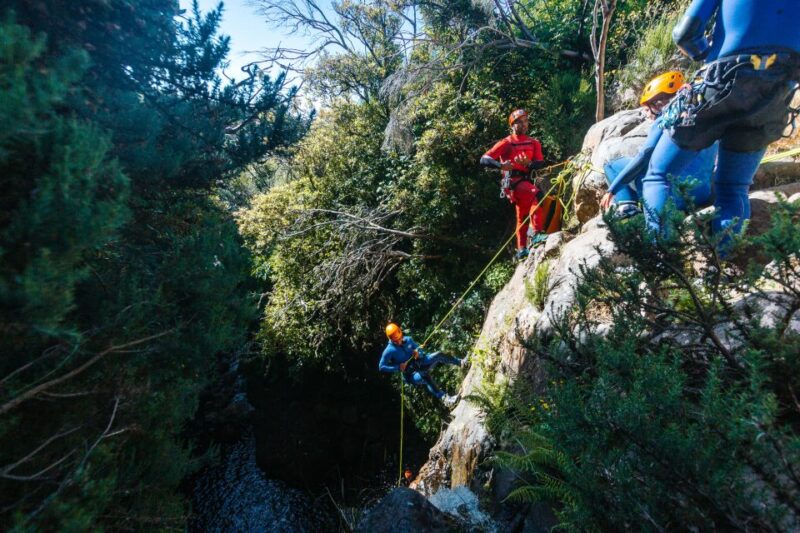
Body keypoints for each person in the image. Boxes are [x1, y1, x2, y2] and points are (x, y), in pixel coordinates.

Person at [643, 0, 800, 247]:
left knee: (659, 177)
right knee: (733, 187)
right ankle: (723, 264)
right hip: (775, 93)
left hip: (720, 83)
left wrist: (706, 55)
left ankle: (660, 262)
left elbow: (685, 34)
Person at [599, 71, 717, 226]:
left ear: (659, 103)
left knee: (612, 165)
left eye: (648, 108)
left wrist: (612, 190)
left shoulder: (665, 120)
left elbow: (644, 156)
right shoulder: (705, 114)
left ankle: (627, 206)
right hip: (702, 194)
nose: (646, 114)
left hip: (671, 198)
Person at [480, 109, 547, 260]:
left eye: (526, 121)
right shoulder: (506, 143)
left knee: (522, 215)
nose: (524, 124)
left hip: (525, 180)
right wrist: (500, 165)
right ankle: (536, 233)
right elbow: (484, 159)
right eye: (520, 122)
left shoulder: (534, 142)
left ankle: (521, 249)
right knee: (537, 195)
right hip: (513, 182)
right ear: (513, 125)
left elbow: (540, 163)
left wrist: (528, 164)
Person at [378, 323, 467, 408]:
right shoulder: (389, 351)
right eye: (395, 341)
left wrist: (418, 354)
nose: (398, 342)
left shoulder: (408, 340)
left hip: (420, 363)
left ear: (400, 333)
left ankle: (461, 363)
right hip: (411, 375)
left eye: (399, 339)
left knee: (438, 355)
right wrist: (398, 367)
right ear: (391, 339)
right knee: (424, 375)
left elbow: (420, 351)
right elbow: (381, 367)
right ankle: (446, 400)